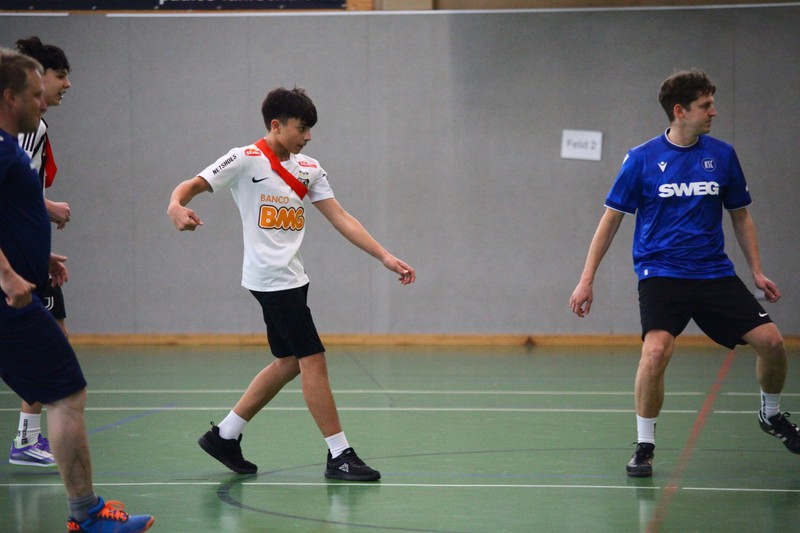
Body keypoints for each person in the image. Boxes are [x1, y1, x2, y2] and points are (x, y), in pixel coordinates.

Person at [168, 86, 415, 481]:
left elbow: (340, 217)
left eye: (310, 129)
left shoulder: (309, 169)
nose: (308, 136)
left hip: (294, 277)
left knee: (288, 362)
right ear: (276, 125)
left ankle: (224, 435)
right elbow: (192, 185)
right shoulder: (243, 159)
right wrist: (176, 206)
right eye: (302, 128)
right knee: (313, 359)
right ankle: (340, 455)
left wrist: (384, 256)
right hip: (271, 278)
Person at [569, 69, 799, 478]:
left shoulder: (723, 155)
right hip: (661, 273)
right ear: (680, 111)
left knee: (772, 342)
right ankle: (644, 445)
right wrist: (587, 280)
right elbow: (611, 220)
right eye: (705, 105)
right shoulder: (641, 159)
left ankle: (771, 414)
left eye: (712, 103)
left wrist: (757, 271)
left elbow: (741, 216)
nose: (714, 111)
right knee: (656, 351)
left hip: (713, 273)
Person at [0, 48, 154, 532]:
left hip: (20, 288)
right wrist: (7, 274)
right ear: (9, 97)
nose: (43, 102)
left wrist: (37, 255)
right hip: (9, 300)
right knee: (67, 392)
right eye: (34, 94)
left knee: (62, 390)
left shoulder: (11, 147)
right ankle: (86, 514)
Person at [8, 35, 73, 469]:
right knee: (52, 349)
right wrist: (46, 209)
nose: (67, 85)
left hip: (26, 251)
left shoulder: (35, 129)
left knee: (54, 343)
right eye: (60, 76)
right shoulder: (22, 132)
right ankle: (28, 439)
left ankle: (28, 437)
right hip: (12, 258)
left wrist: (41, 249)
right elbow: (15, 193)